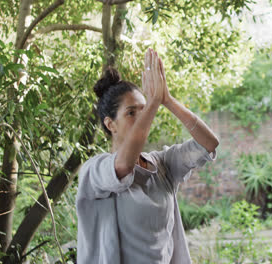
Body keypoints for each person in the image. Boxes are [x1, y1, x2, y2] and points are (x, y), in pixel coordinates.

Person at [75, 48, 219, 264]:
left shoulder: (162, 164)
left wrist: (167, 100)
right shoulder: (95, 170)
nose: (144, 117)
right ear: (110, 124)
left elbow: (208, 144)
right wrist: (152, 102)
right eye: (131, 112)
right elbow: (123, 166)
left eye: (145, 110)